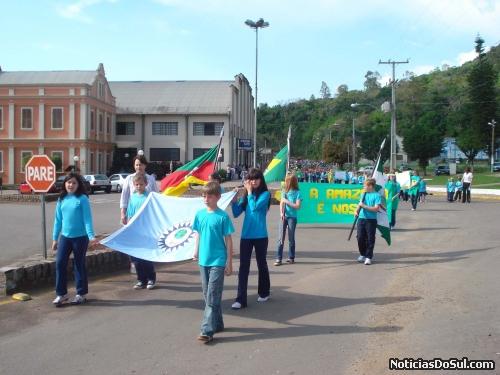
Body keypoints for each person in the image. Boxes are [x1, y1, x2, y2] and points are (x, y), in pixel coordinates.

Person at [192, 181, 234, 343]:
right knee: (208, 294)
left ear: (217, 197)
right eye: (204, 195)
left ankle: (207, 330)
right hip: (203, 260)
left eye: (209, 195)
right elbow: (198, 234)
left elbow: (228, 240)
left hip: (218, 260)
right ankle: (218, 323)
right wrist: (195, 251)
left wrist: (229, 263)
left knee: (211, 295)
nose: (206, 198)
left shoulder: (222, 216)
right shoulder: (199, 215)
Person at [51, 172, 98, 306]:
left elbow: (87, 219)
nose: (71, 185)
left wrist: (91, 236)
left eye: (74, 183)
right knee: (60, 263)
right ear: (64, 184)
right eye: (68, 182)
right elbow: (58, 220)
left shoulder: (82, 199)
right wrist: (55, 239)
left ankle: (81, 294)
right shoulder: (61, 199)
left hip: (80, 238)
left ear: (78, 185)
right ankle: (62, 294)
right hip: (65, 237)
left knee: (79, 264)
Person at [230, 168, 271, 309]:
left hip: (260, 236)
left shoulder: (265, 194)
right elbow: (236, 213)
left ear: (261, 180)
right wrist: (234, 200)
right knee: (243, 267)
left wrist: (248, 192)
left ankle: (264, 292)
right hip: (246, 236)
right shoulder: (247, 196)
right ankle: (240, 299)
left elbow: (253, 208)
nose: (253, 181)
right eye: (251, 179)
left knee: (262, 264)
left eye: (256, 178)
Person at [120, 154, 158, 275]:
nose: (138, 167)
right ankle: (135, 266)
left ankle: (149, 273)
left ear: (145, 165)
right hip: (133, 216)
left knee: (146, 244)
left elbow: (156, 197)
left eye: (140, 164)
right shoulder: (129, 179)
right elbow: (124, 197)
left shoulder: (150, 179)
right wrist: (123, 213)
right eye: (136, 164)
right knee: (133, 242)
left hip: (147, 218)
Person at [127, 173, 156, 290]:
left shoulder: (149, 197)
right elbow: (130, 213)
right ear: (134, 185)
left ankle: (151, 279)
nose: (139, 186)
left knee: (146, 257)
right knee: (136, 258)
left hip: (147, 231)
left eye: (141, 184)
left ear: (146, 184)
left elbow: (153, 213)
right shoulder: (133, 198)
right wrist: (128, 227)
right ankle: (141, 279)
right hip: (135, 231)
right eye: (137, 184)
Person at [274, 173, 302, 266]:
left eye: (287, 181)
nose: (286, 183)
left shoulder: (298, 192)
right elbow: (281, 203)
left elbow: (297, 206)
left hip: (292, 218)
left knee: (291, 238)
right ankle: (279, 258)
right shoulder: (284, 191)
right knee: (280, 238)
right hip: (284, 216)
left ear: (292, 182)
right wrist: (281, 213)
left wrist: (287, 201)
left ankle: (291, 257)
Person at [355, 178, 381, 265]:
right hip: (361, 218)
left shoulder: (377, 195)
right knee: (360, 237)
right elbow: (360, 204)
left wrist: (364, 206)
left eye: (365, 185)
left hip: (371, 220)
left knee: (370, 238)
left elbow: (376, 209)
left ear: (370, 186)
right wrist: (357, 210)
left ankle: (368, 256)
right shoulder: (363, 194)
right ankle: (362, 254)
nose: (363, 187)